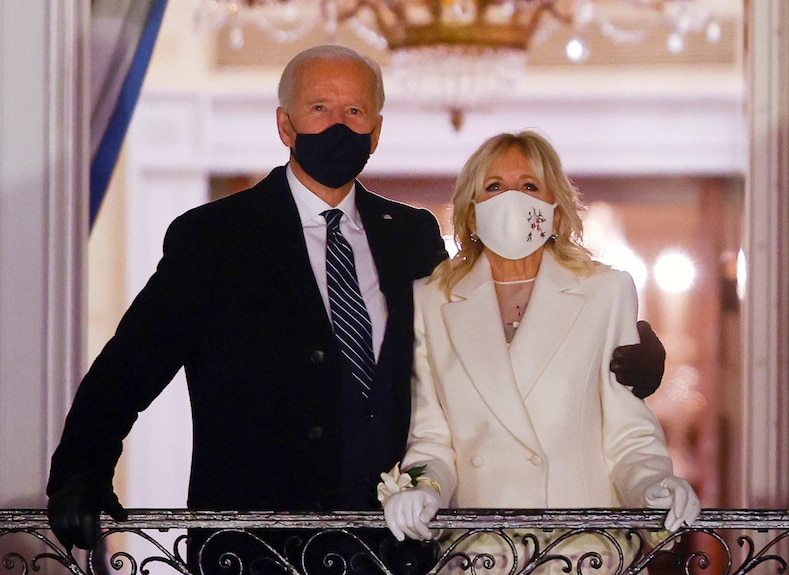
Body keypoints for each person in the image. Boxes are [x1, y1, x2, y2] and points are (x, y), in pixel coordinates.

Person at [46, 46, 665, 567]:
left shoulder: (412, 234)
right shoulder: (214, 237)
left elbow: (487, 338)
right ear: (285, 125)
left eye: (355, 110)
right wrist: (82, 464)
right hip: (258, 546)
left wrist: (634, 348)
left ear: (376, 129)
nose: (338, 124)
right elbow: (131, 362)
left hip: (391, 548)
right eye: (319, 109)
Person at [381, 131, 700, 572]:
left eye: (529, 186)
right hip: (483, 556)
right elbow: (433, 440)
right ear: (471, 214)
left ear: (555, 210)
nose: (512, 199)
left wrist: (656, 488)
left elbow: (628, 437)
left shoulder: (605, 292)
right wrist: (423, 489)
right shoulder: (433, 300)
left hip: (584, 555)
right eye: (493, 187)